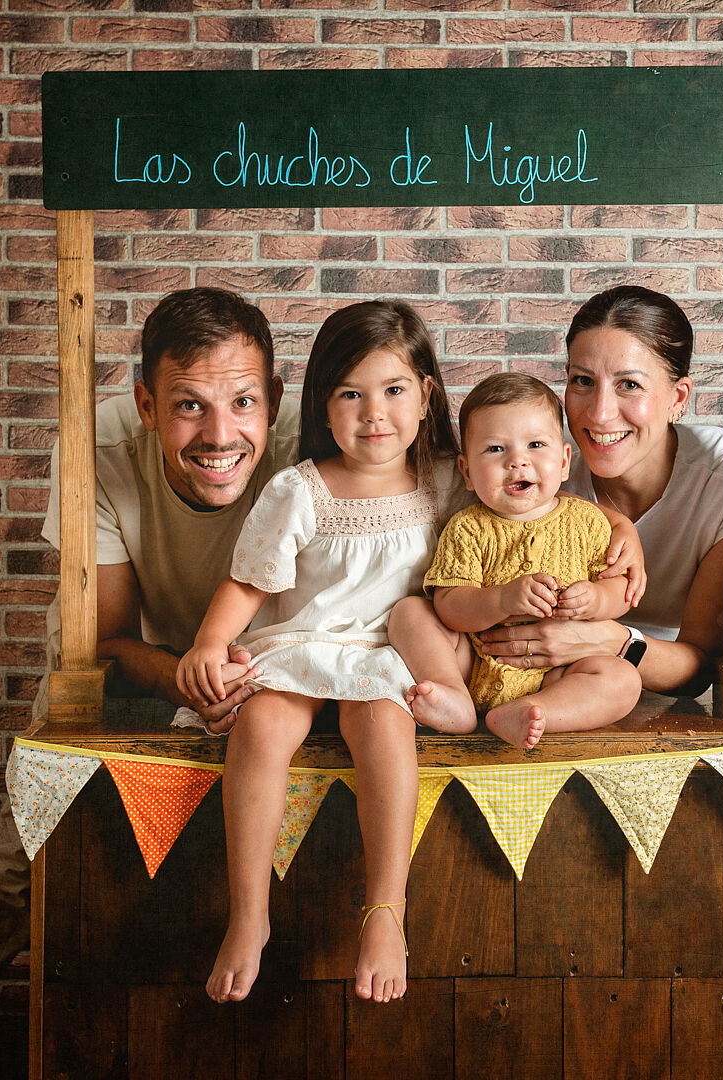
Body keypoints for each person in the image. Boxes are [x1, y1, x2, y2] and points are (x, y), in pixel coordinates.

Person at [0, 287, 297, 1080]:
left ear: (274, 397)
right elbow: (106, 639)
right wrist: (184, 677)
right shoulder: (94, 448)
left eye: (243, 401)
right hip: (132, 669)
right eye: (188, 407)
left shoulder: (318, 436)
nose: (220, 434)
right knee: (15, 861)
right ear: (144, 403)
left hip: (275, 681)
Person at [175, 300, 461, 1006]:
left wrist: (613, 523)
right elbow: (249, 581)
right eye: (350, 395)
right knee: (264, 725)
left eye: (394, 390)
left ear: (426, 396)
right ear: (322, 407)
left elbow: (538, 494)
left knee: (385, 725)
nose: (375, 414)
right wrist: (211, 641)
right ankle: (249, 914)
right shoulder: (299, 488)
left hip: (389, 653)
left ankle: (386, 912)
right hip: (302, 645)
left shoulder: (447, 480)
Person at [478, 285, 723, 695]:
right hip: (563, 686)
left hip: (690, 689)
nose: (599, 413)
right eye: (582, 380)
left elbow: (702, 667)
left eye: (629, 385)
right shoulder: (543, 468)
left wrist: (609, 641)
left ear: (678, 397)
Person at [407, 373, 643, 749]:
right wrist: (501, 599)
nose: (518, 461)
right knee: (410, 613)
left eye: (535, 444)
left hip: (557, 673)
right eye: (495, 449)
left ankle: (534, 711)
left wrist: (597, 600)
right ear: (467, 472)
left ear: (564, 462)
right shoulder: (468, 527)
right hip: (472, 664)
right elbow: (449, 606)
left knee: (624, 680)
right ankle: (454, 697)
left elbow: (621, 587)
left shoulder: (587, 522)